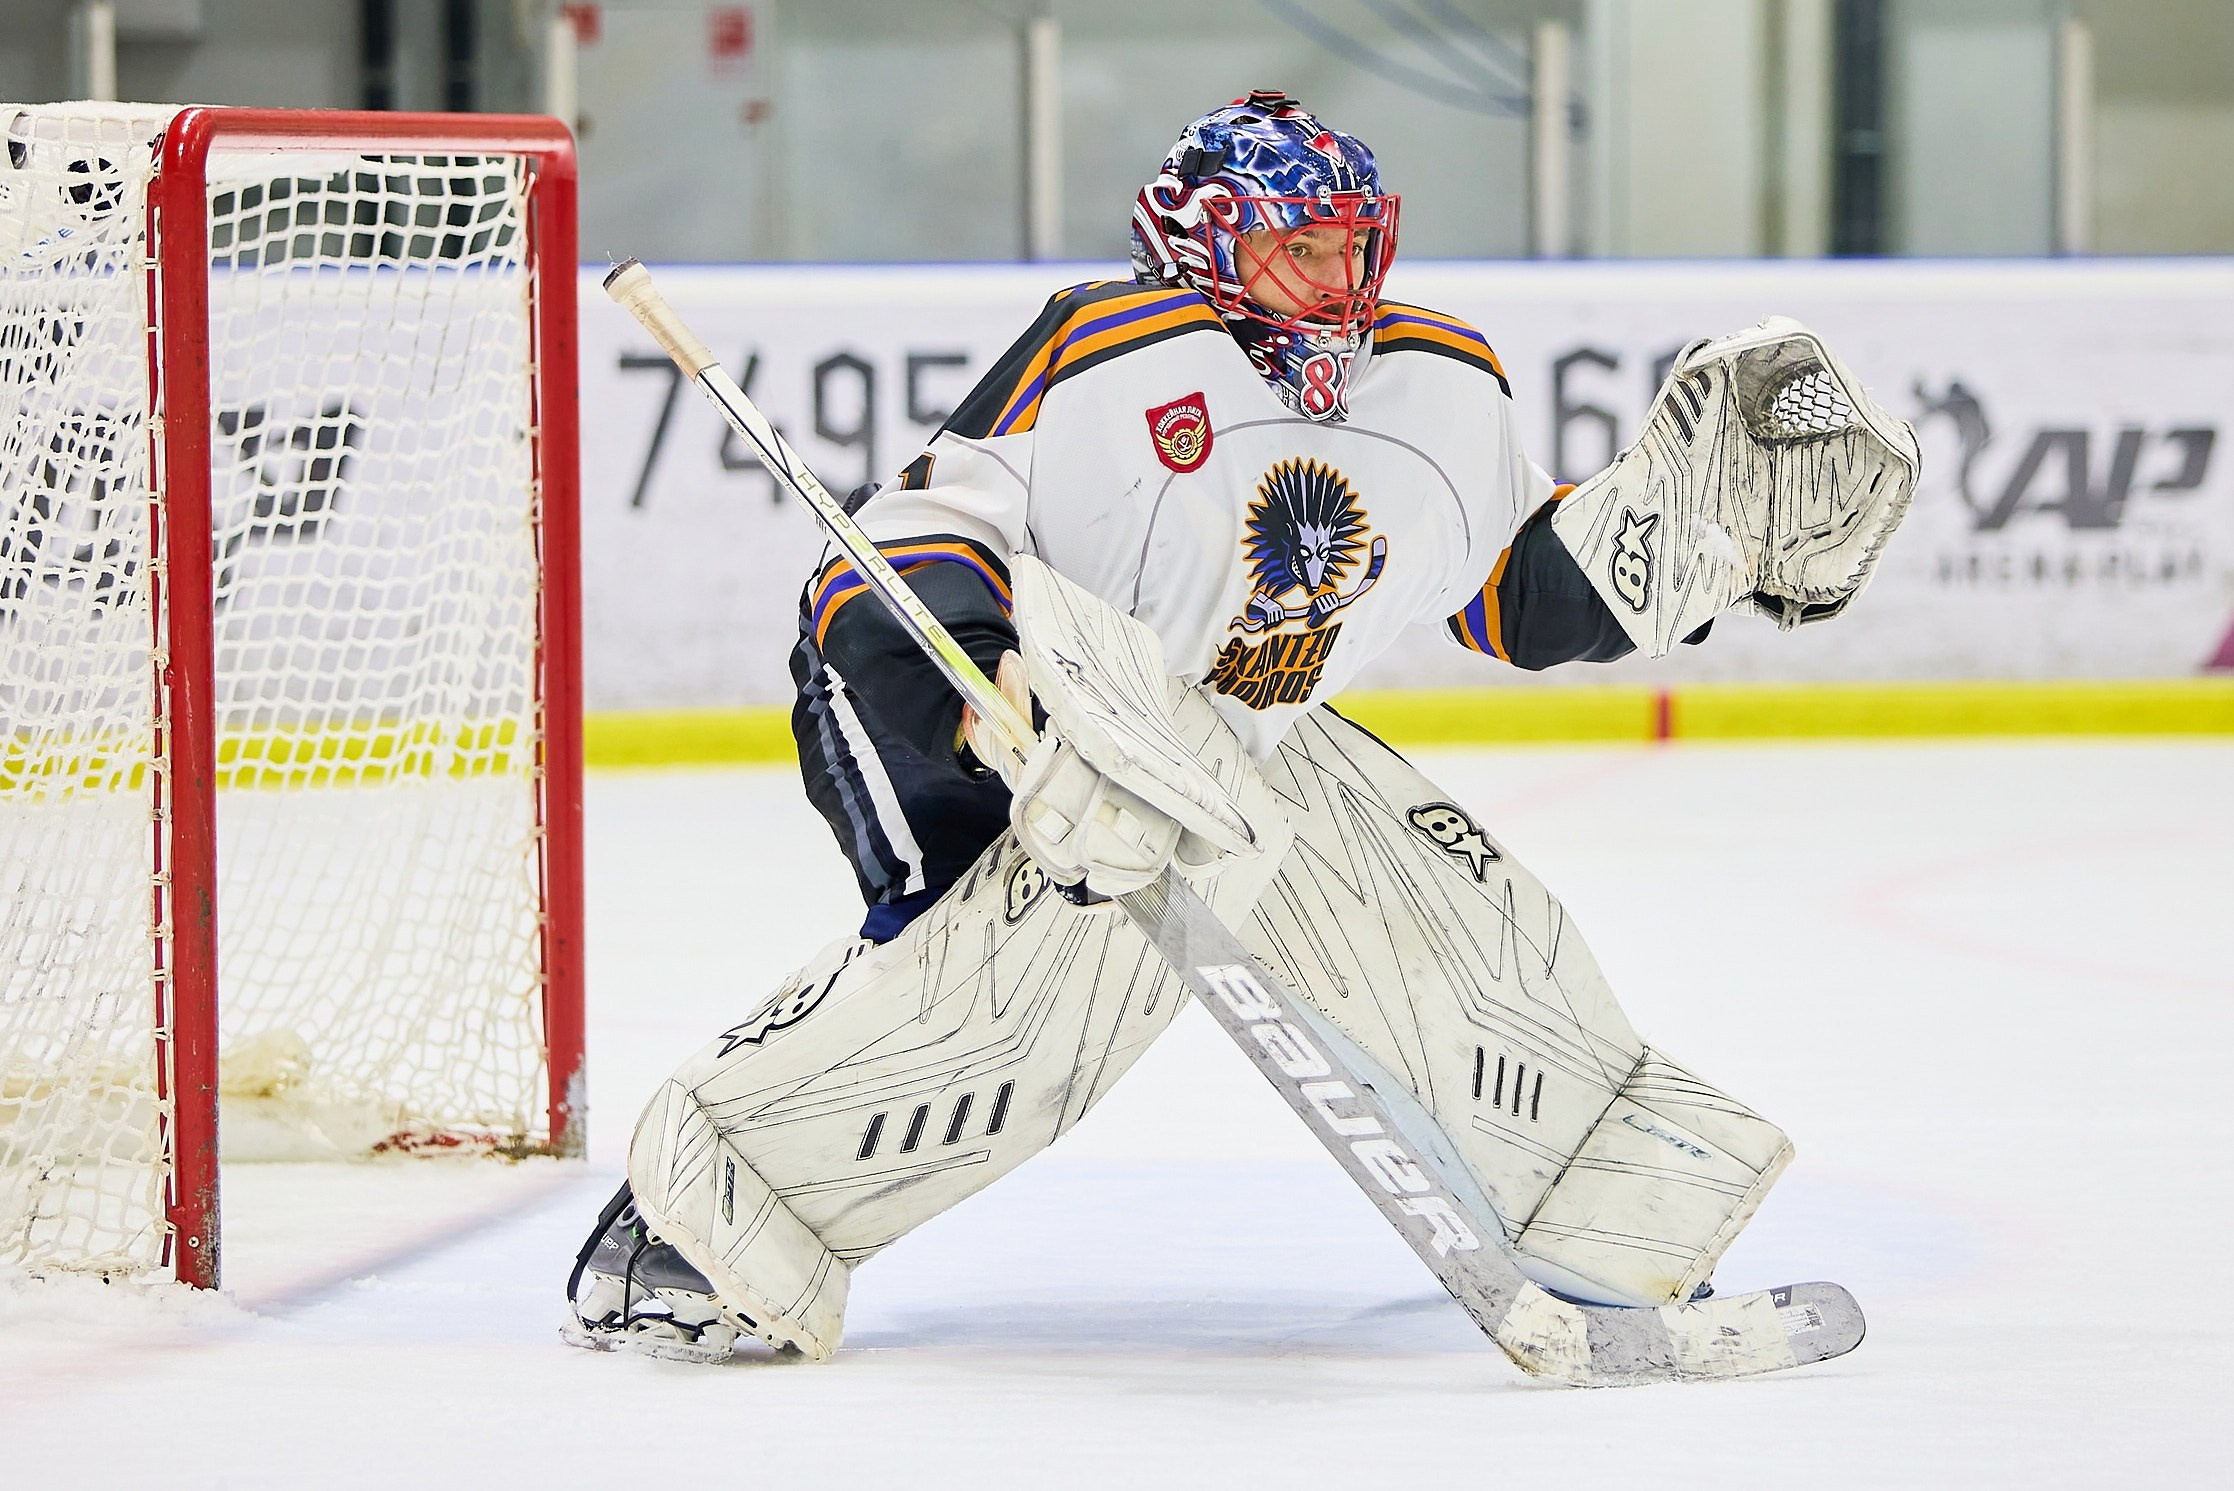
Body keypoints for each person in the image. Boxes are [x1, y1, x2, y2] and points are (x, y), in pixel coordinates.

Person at [563, 89, 1915, 1363]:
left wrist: (1697, 544)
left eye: (1352, 249)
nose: (1337, 286)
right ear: (1202, 253)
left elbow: (1507, 592)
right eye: (1296, 252)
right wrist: (991, 707)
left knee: (1448, 929)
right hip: (963, 699)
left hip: (1210, 735)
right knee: (1005, 987)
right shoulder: (1107, 355)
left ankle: (1599, 1218)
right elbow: (900, 550)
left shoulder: (1435, 381)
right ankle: (688, 1229)